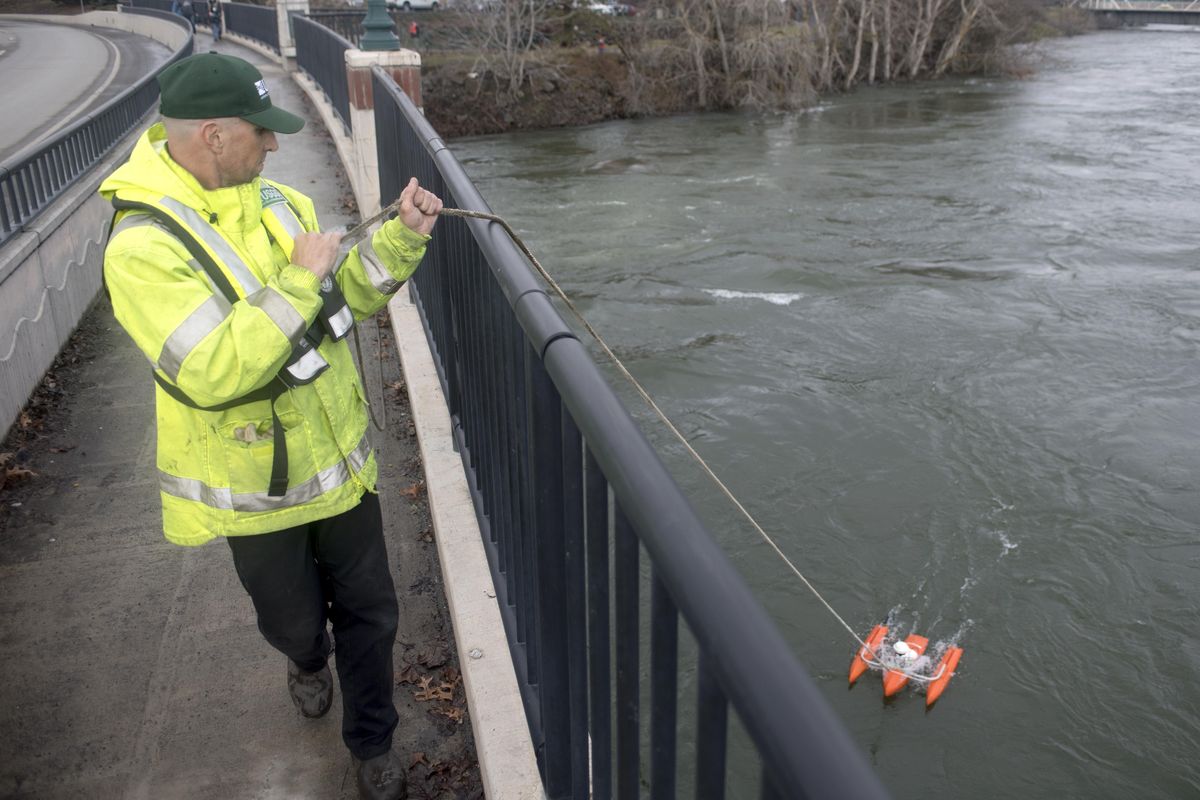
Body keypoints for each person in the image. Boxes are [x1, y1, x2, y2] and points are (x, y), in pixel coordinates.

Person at [99, 52, 442, 800]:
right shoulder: (141, 249)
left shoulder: (281, 203)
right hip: (258, 488)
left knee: (372, 613)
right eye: (264, 133)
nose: (277, 147)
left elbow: (338, 304)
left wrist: (399, 241)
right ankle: (303, 658)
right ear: (214, 136)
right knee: (292, 620)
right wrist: (297, 279)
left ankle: (373, 743)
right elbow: (212, 370)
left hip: (341, 466)